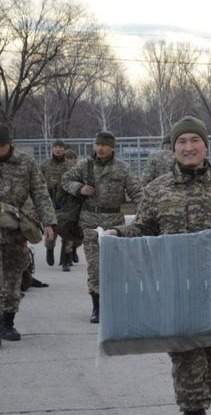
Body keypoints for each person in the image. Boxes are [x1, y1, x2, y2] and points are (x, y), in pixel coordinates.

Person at [105, 116, 211, 415]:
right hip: (176, 287)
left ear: (205, 145)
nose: (188, 147)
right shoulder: (158, 190)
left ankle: (195, 402)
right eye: (181, 142)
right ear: (173, 148)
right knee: (188, 358)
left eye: (193, 141)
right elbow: (143, 228)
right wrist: (115, 235)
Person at [62, 131, 143, 323]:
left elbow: (137, 192)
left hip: (114, 221)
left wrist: (144, 213)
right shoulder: (85, 166)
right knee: (95, 266)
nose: (100, 148)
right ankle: (97, 307)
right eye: (98, 144)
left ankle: (113, 303)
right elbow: (65, 180)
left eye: (105, 145)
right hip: (90, 220)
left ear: (112, 147)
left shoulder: (122, 168)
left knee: (114, 266)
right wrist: (79, 188)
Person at [0, 124, 57, 343]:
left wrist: (49, 222)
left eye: (2, 146)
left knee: (13, 278)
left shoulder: (25, 163)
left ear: (10, 144)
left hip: (15, 229)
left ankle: (8, 323)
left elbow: (40, 193)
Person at [39, 139, 80, 271]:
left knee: (67, 231)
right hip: (49, 202)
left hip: (66, 202)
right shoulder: (45, 165)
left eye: (61, 147)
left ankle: (66, 261)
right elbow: (38, 183)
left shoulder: (70, 166)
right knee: (52, 231)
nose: (58, 149)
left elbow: (76, 182)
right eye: (56, 147)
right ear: (52, 149)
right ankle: (49, 249)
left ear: (64, 149)